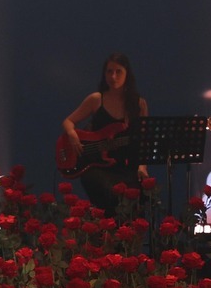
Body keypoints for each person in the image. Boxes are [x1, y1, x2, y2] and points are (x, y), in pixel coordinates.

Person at [61, 52, 149, 211]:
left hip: (126, 166)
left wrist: (142, 167)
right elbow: (68, 121)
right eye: (109, 71)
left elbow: (142, 140)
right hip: (99, 168)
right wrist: (72, 135)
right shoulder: (96, 99)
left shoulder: (139, 104)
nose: (113, 76)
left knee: (137, 197)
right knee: (104, 190)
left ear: (127, 74)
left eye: (118, 72)